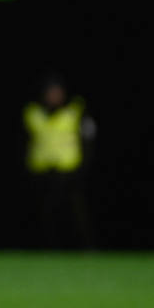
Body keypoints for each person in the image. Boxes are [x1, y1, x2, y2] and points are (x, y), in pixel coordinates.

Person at [23, 74, 96, 249]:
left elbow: (88, 141)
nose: (53, 96)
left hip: (70, 173)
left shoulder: (75, 112)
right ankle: (47, 249)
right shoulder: (33, 114)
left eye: (57, 92)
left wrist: (83, 167)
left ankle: (86, 249)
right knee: (45, 216)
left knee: (77, 214)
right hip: (42, 174)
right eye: (50, 92)